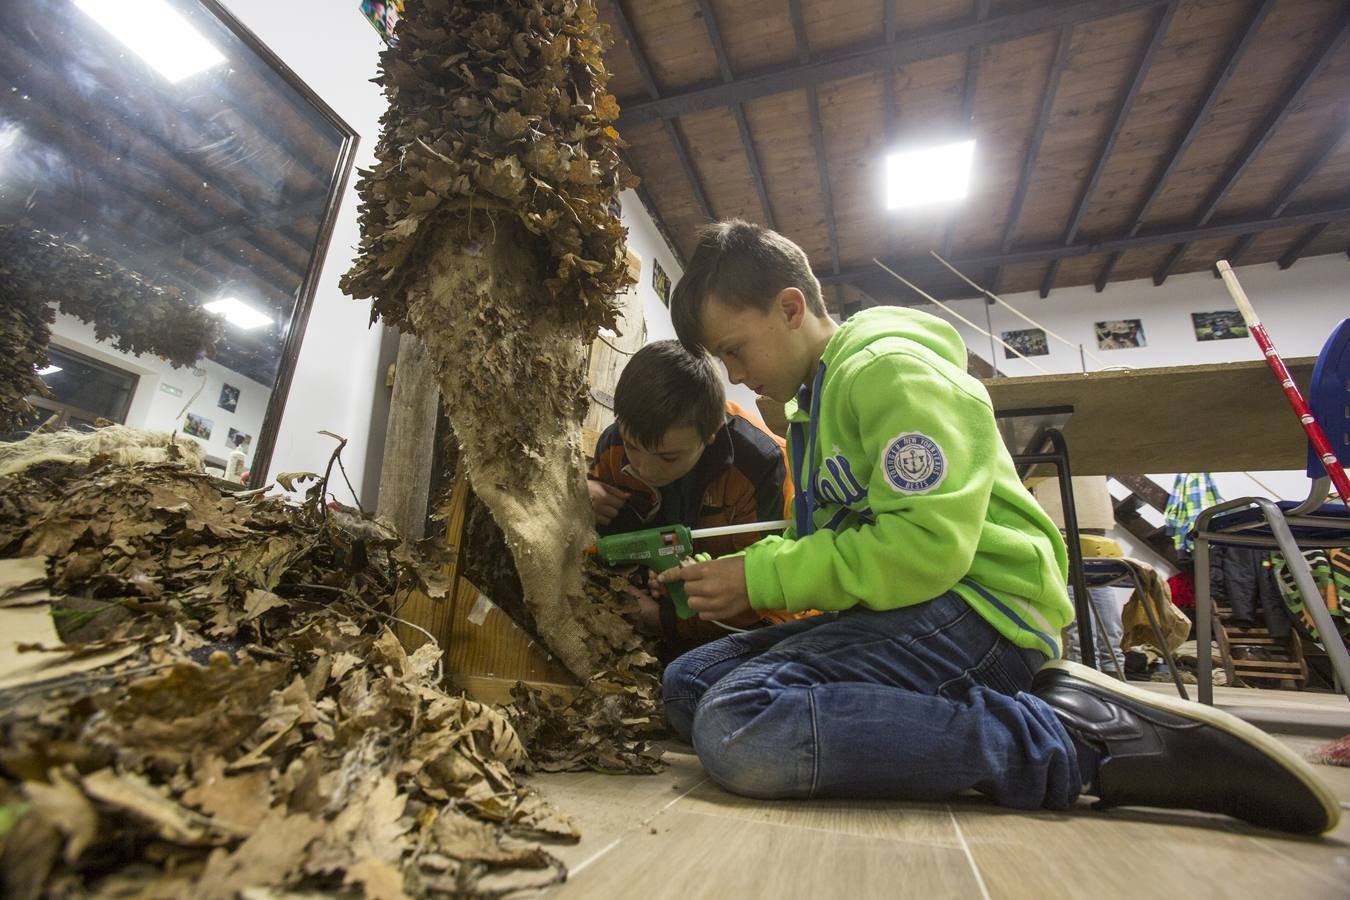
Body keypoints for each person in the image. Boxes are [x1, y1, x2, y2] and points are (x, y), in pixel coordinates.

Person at [655, 219, 1339, 835]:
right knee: (690, 685)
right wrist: (752, 569)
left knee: (734, 726)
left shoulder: (886, 369)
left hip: (983, 606)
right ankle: (1001, 708)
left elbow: (925, 547)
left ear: (790, 308)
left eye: (735, 351)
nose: (737, 377)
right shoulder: (811, 407)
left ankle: (1074, 740)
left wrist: (768, 575)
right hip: (914, 608)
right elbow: (843, 537)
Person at [588, 340, 799, 655]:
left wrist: (666, 620)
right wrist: (581, 493)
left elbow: (764, 592)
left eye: (668, 457)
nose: (644, 468)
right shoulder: (614, 444)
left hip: (747, 629)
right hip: (652, 602)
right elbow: (600, 542)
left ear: (711, 432)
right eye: (633, 446)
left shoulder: (763, 465)